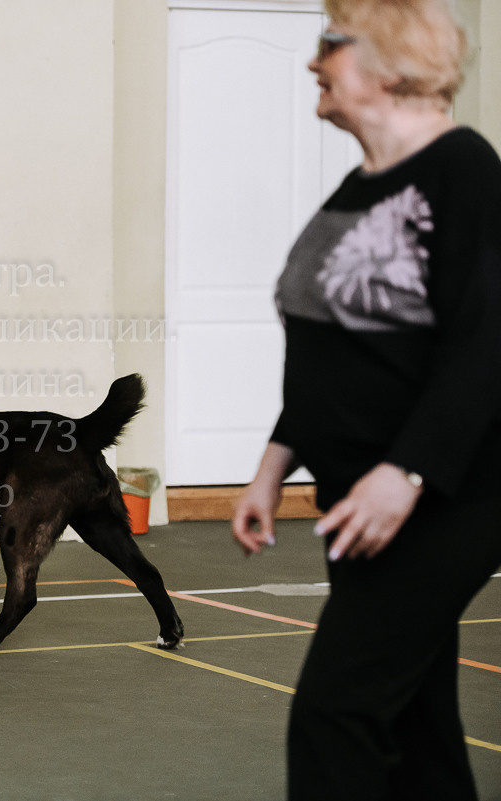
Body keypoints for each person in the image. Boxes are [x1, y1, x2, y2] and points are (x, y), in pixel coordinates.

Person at [231, 1, 501, 798]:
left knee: (336, 713)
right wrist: (273, 465)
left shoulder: (466, 172)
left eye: (329, 44)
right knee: (415, 719)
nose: (313, 63)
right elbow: (335, 345)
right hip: (358, 495)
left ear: (390, 62)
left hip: (447, 496)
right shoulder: (363, 181)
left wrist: (407, 472)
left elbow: (486, 343)